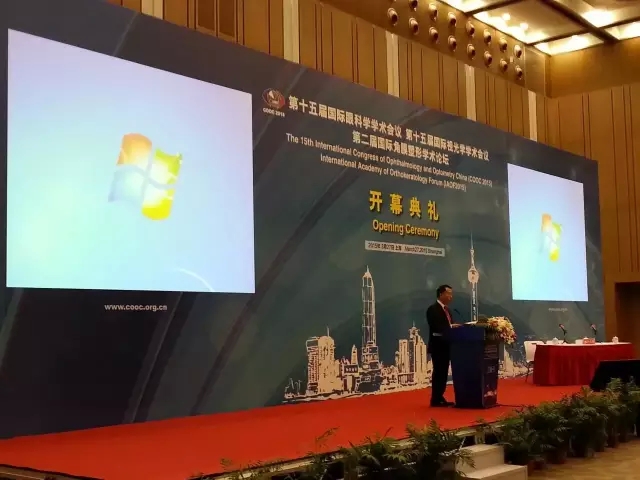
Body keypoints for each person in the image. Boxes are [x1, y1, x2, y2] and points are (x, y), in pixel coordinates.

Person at [426, 284, 459, 407]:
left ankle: (440, 396)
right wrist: (451, 326)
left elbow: (450, 325)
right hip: (438, 346)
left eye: (451, 294)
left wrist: (454, 327)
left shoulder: (448, 310)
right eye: (448, 293)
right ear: (441, 294)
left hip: (447, 345)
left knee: (444, 373)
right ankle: (435, 399)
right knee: (439, 372)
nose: (451, 296)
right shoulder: (432, 309)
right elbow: (436, 326)